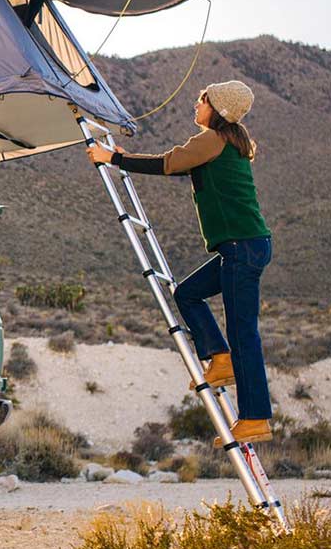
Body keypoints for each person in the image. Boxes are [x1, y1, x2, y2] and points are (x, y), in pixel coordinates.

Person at [87, 80, 273, 445]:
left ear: (217, 109)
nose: (197, 104)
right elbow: (178, 164)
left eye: (203, 100)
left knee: (244, 333)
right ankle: (219, 358)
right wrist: (124, 157)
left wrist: (114, 159)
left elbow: (168, 163)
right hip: (244, 247)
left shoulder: (212, 140)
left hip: (242, 247)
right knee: (187, 293)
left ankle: (255, 418)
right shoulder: (224, 142)